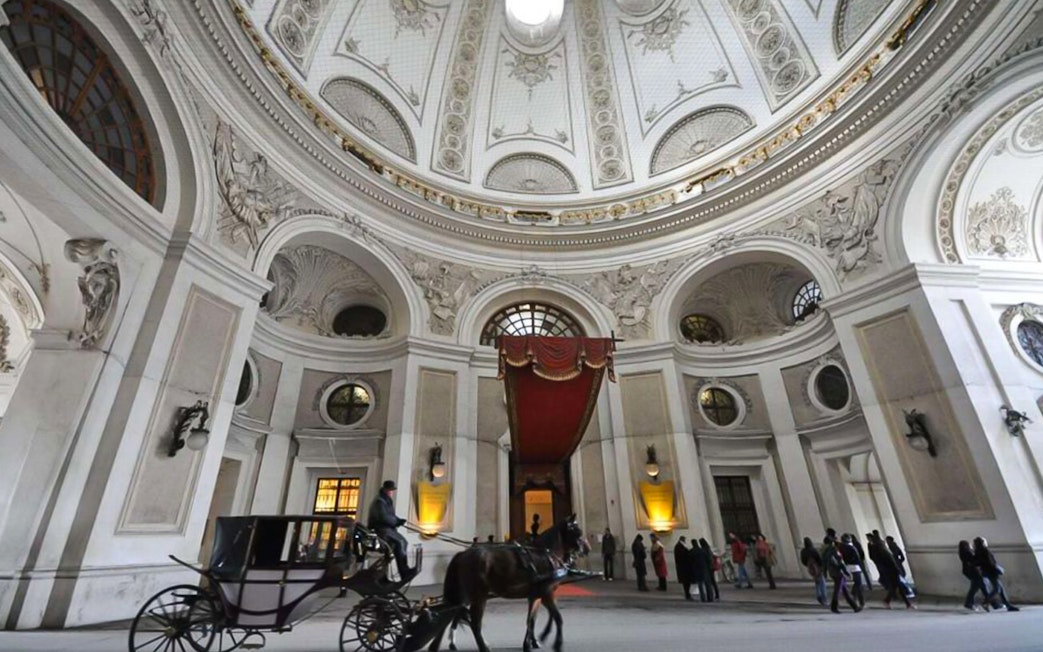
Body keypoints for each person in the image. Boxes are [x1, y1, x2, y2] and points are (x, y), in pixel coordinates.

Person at [367, 480, 416, 581]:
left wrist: (398, 520)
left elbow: (390, 515)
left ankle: (402, 570)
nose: (391, 492)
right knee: (401, 542)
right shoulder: (380, 501)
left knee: (402, 542)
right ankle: (404, 571)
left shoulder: (385, 500)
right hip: (381, 529)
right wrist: (396, 522)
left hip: (387, 528)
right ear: (385, 490)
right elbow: (383, 517)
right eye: (389, 490)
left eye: (392, 490)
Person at [868, 533, 914, 609]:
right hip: (893, 571)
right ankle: (892, 602)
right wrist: (898, 570)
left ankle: (905, 603)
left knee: (896, 586)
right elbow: (892, 562)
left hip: (888, 571)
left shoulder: (878, 552)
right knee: (897, 586)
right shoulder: (885, 552)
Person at [974, 536, 1019, 611]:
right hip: (991, 571)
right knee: (997, 588)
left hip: (986, 571)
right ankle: (985, 602)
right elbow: (990, 562)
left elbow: (977, 562)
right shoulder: (985, 551)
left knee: (1001, 588)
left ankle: (1008, 605)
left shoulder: (977, 551)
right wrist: (996, 568)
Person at [823, 536, 861, 613]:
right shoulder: (834, 550)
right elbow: (840, 562)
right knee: (838, 590)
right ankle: (834, 606)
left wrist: (825, 572)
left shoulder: (826, 551)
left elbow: (824, 562)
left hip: (832, 572)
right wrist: (845, 572)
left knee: (844, 590)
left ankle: (854, 606)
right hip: (838, 572)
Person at [959, 540, 990, 611]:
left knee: (981, 586)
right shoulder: (968, 553)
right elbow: (974, 560)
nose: (971, 545)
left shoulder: (962, 553)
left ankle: (992, 603)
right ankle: (969, 603)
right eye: (969, 544)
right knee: (976, 587)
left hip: (969, 571)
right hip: (973, 571)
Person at [839, 534, 865, 608]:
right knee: (858, 584)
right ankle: (859, 600)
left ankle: (856, 598)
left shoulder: (841, 547)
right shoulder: (852, 547)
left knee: (856, 583)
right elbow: (857, 558)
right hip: (855, 567)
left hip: (847, 566)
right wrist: (860, 565)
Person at [800, 536, 827, 606]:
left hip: (810, 568)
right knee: (822, 583)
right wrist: (821, 566)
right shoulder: (813, 550)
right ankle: (824, 598)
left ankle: (818, 595)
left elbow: (803, 561)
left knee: (817, 582)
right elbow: (819, 559)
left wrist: (808, 565)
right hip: (817, 567)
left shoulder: (803, 551)